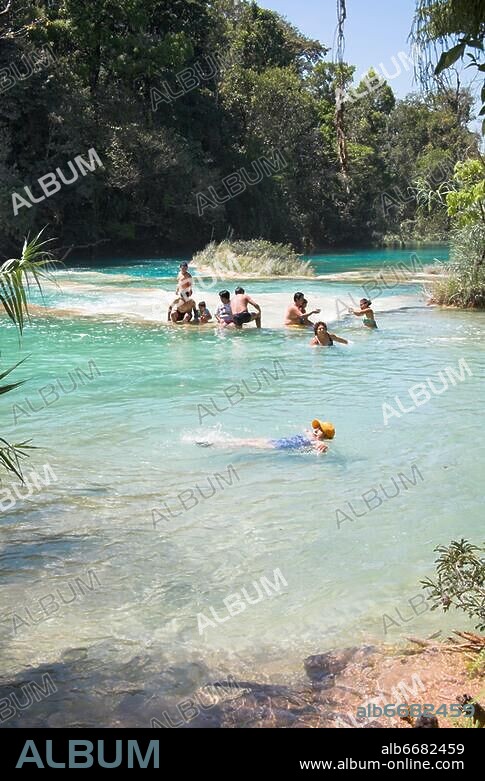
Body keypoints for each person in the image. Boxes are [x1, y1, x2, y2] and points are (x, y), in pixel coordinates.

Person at [197, 420, 335, 454]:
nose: (316, 430)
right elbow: (305, 430)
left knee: (246, 444)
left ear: (326, 436)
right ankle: (215, 441)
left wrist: (322, 448)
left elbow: (321, 448)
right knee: (247, 440)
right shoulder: (311, 435)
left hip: (279, 447)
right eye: (316, 427)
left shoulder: (316, 442)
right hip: (276, 441)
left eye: (320, 429)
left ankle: (214, 443)